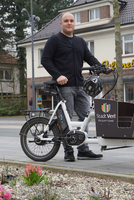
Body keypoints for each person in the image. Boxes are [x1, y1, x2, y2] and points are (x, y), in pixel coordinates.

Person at [41, 12, 103, 162]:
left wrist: (102, 67)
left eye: (71, 21)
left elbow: (89, 57)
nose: (69, 23)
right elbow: (45, 60)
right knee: (66, 119)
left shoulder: (80, 42)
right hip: (64, 87)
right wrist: (57, 75)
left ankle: (83, 149)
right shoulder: (54, 40)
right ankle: (68, 151)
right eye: (66, 21)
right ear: (61, 24)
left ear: (75, 23)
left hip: (80, 86)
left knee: (86, 117)